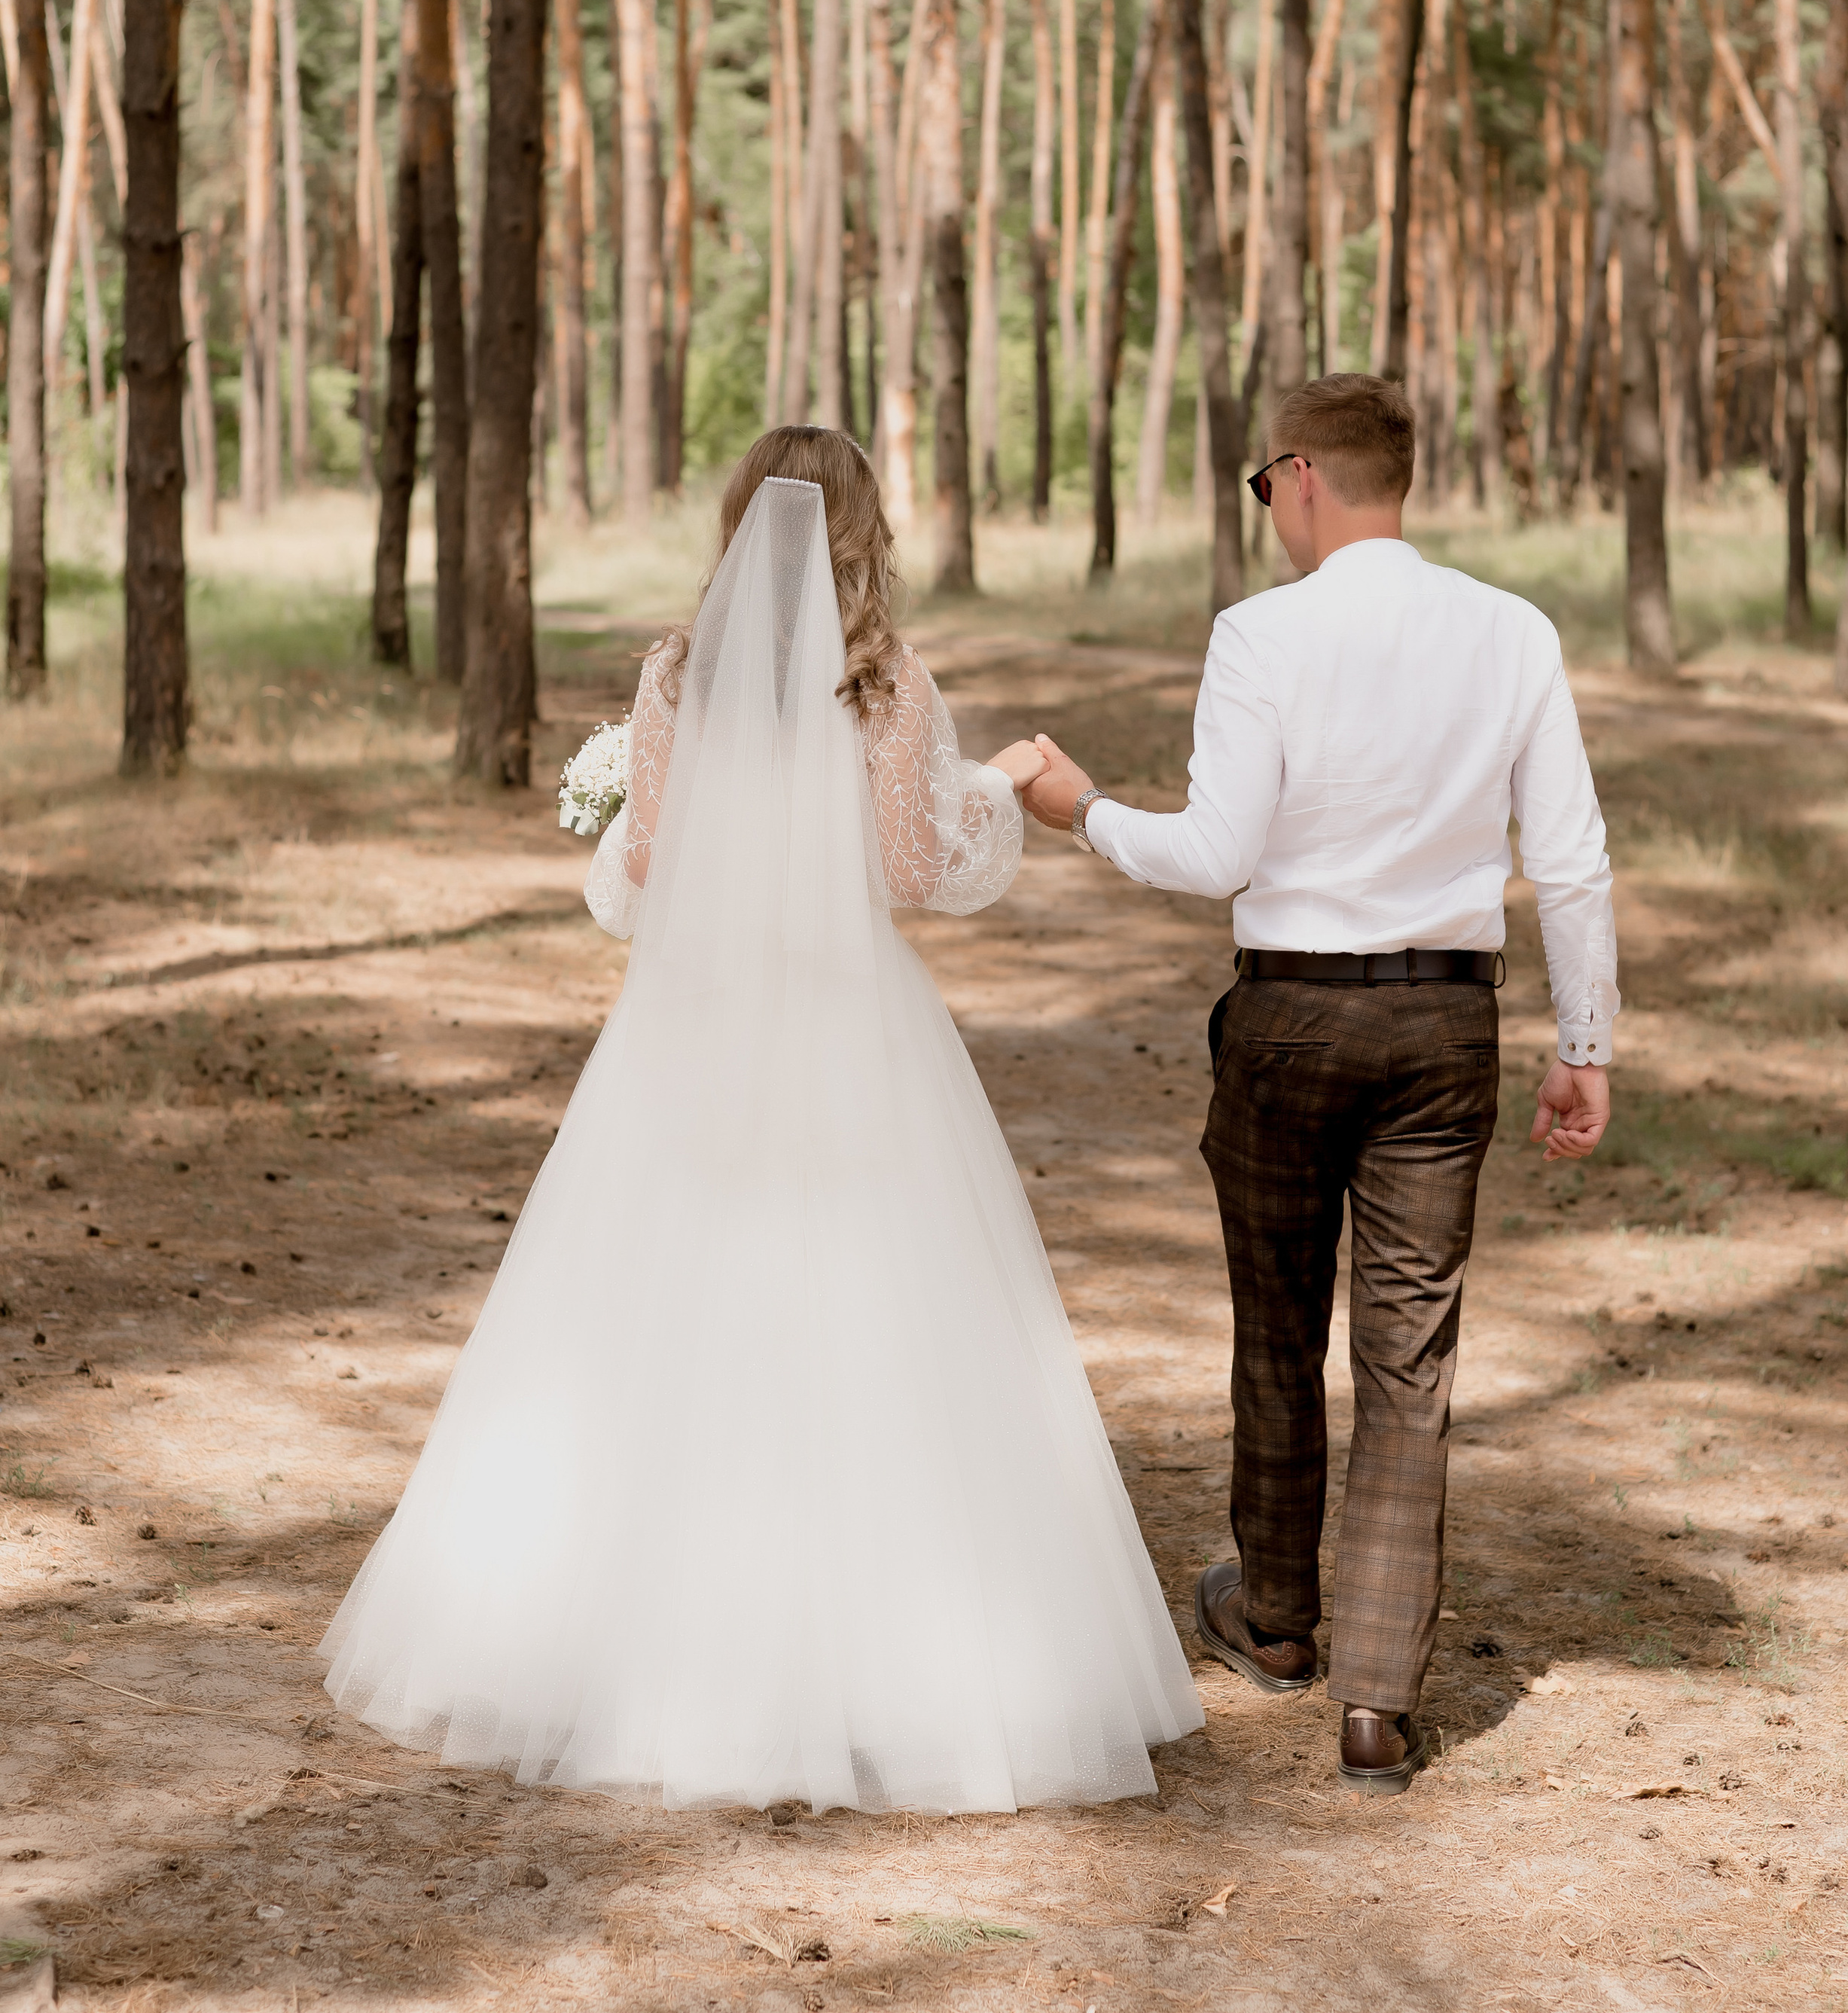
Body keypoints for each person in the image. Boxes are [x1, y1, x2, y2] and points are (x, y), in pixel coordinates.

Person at [321, 428, 1202, 1815]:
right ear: (864, 532)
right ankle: (892, 1672)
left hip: (695, 1028)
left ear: (742, 529)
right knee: (878, 1316)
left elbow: (658, 863)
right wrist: (986, 793)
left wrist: (623, 821)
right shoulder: (891, 680)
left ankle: (623, 1651)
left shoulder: (677, 675)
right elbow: (915, 868)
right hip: (854, 1029)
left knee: (661, 1305)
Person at [1020, 374, 1616, 1795]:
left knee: (1278, 1323)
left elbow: (1218, 852)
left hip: (1289, 1017)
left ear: (1298, 475)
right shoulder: (1513, 630)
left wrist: (1082, 812)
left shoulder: (1260, 633)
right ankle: (1379, 1703)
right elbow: (1575, 859)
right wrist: (1583, 1045)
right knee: (1410, 1361)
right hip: (1444, 1030)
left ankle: (1278, 1622)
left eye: (1262, 487)